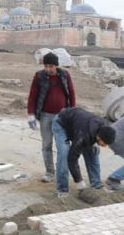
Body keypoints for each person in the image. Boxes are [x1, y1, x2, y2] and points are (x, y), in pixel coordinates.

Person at [27, 52, 76, 183]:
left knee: (63, 146)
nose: (48, 69)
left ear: (56, 65)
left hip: (62, 117)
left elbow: (71, 93)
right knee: (46, 145)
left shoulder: (64, 75)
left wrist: (72, 112)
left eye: (51, 66)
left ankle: (62, 172)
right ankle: (49, 172)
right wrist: (31, 114)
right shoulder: (39, 76)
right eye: (46, 66)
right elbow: (33, 95)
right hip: (45, 116)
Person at [52, 107, 116, 197]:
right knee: (64, 154)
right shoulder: (82, 137)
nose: (105, 146)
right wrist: (79, 181)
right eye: (104, 143)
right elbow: (72, 159)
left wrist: (93, 144)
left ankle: (96, 185)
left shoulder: (104, 126)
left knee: (93, 152)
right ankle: (62, 190)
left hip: (78, 124)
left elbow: (92, 138)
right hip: (61, 123)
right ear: (98, 137)